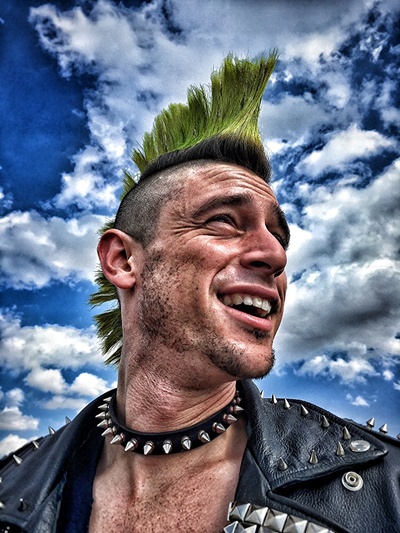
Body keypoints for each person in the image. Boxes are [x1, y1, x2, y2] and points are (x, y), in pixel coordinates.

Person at [0, 54, 399, 533]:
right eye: (224, 221)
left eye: (279, 236)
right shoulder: (11, 492)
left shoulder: (386, 487)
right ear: (123, 261)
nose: (275, 255)